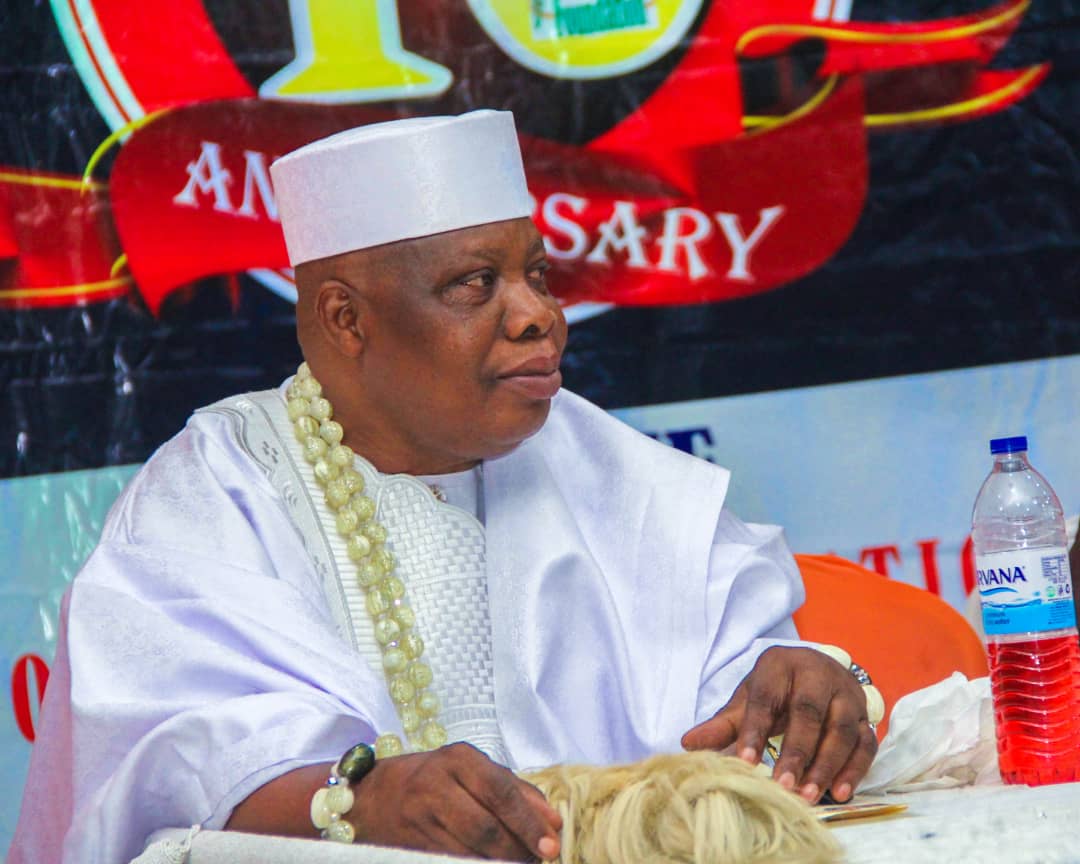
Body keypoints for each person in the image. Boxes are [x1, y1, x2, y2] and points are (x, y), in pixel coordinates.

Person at [9, 111, 876, 864]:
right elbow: (163, 769)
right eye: (475, 284)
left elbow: (735, 694)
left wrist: (796, 689)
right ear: (346, 319)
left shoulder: (612, 472)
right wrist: (360, 800)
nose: (539, 315)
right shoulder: (219, 491)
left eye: (538, 275)